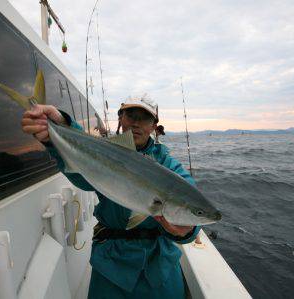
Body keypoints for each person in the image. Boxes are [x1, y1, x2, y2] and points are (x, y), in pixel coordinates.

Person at [21, 96, 201, 299]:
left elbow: (192, 204)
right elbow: (84, 161)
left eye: (144, 118)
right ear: (120, 119)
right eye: (131, 115)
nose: (136, 123)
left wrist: (187, 230)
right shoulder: (104, 150)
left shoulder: (168, 165)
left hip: (158, 265)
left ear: (153, 126)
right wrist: (58, 128)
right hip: (111, 264)